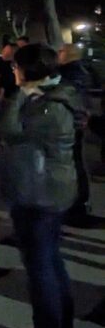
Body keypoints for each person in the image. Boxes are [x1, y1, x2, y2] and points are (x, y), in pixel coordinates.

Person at [0, 44, 83, 328]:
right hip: (54, 187)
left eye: (16, 67)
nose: (13, 71)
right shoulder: (59, 95)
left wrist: (12, 99)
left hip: (38, 190)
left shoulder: (42, 104)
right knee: (52, 261)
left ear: (27, 70)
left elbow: (9, 131)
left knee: (40, 265)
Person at [58, 43, 93, 225]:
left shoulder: (68, 74)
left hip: (70, 123)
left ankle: (76, 204)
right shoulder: (81, 72)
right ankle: (81, 202)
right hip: (78, 122)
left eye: (62, 51)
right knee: (77, 162)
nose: (59, 54)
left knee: (72, 164)